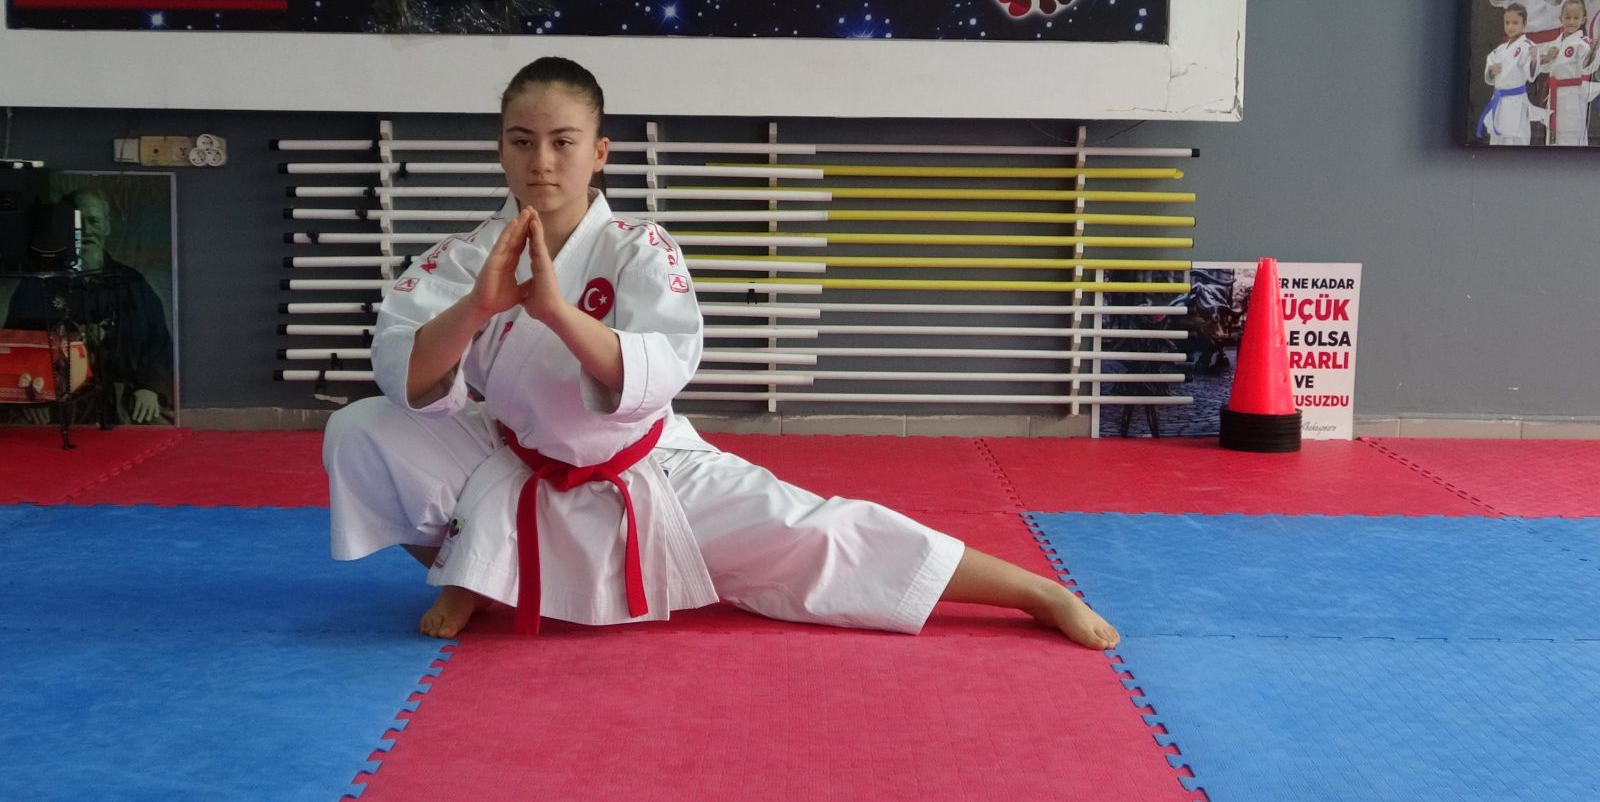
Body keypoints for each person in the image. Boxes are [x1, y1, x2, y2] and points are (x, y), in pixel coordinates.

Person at [323, 57, 1120, 650]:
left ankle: (1034, 592)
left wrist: (558, 313)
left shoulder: (640, 248)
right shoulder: (464, 258)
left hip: (644, 469)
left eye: (564, 142)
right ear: (499, 150)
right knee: (361, 431)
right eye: (522, 142)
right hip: (512, 459)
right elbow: (404, 375)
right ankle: (469, 569)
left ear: (600, 152)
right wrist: (477, 307)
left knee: (821, 536)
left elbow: (662, 367)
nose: (542, 162)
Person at [3, 188, 175, 425]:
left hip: (124, 397)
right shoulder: (38, 284)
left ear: (106, 227)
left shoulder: (132, 283)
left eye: (94, 221)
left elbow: (158, 342)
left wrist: (150, 388)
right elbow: (18, 345)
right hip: (53, 400)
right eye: (77, 222)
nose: (86, 230)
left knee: (157, 428)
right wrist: (32, 397)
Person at [1537, 0, 1596, 143]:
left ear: (1583, 20)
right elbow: (1542, 65)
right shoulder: (1555, 43)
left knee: (1570, 134)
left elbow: (1588, 67)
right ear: (1561, 18)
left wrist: (1593, 52)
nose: (1571, 21)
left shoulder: (1582, 44)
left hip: (1572, 96)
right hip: (1555, 95)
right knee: (1553, 135)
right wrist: (1547, 58)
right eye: (1567, 17)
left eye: (1576, 18)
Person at [1481, 4, 1539, 144]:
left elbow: (1530, 75)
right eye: (1507, 22)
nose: (1510, 27)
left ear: (1524, 24)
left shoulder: (1527, 46)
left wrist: (1534, 59)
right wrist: (1491, 71)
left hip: (1516, 102)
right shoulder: (1500, 49)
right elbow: (1490, 67)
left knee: (1514, 140)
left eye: (1515, 23)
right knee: (1497, 139)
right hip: (1499, 100)